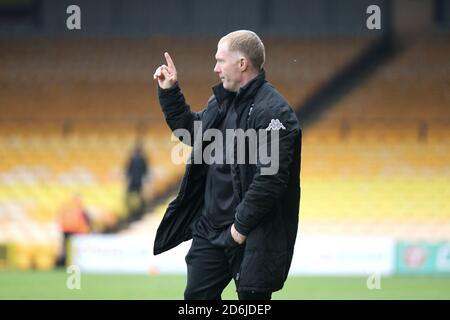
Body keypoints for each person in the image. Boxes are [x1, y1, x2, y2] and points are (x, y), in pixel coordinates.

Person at [153, 30, 301, 300]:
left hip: (251, 234)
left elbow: (270, 179)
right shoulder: (221, 102)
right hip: (210, 231)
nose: (215, 68)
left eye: (220, 60)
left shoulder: (273, 112)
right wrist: (170, 92)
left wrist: (240, 228)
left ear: (242, 64)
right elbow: (193, 132)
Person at [125, 142, 149, 222]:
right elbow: (145, 171)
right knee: (139, 198)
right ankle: (138, 214)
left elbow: (128, 171)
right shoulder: (143, 159)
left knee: (132, 197)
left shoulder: (133, 159)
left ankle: (134, 214)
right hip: (138, 181)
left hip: (134, 181)